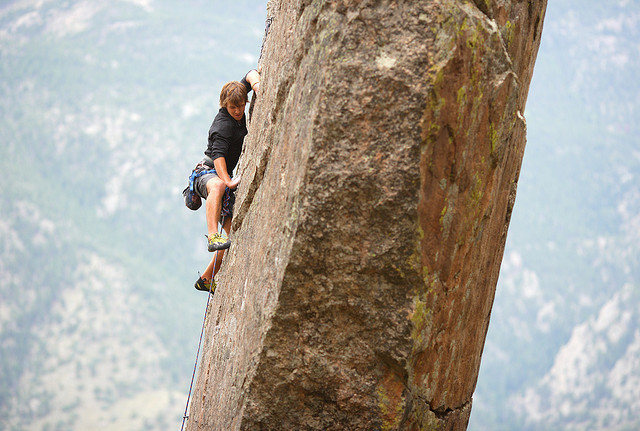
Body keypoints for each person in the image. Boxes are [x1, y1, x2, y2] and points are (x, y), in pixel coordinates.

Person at [192, 69, 261, 293]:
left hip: (218, 175)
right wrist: (228, 181)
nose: (239, 111)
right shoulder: (223, 125)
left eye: (241, 105)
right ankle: (212, 235)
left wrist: (257, 84)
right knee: (219, 186)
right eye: (233, 108)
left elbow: (251, 73)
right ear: (224, 106)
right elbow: (218, 157)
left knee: (232, 236)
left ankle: (206, 279)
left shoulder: (238, 95)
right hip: (206, 173)